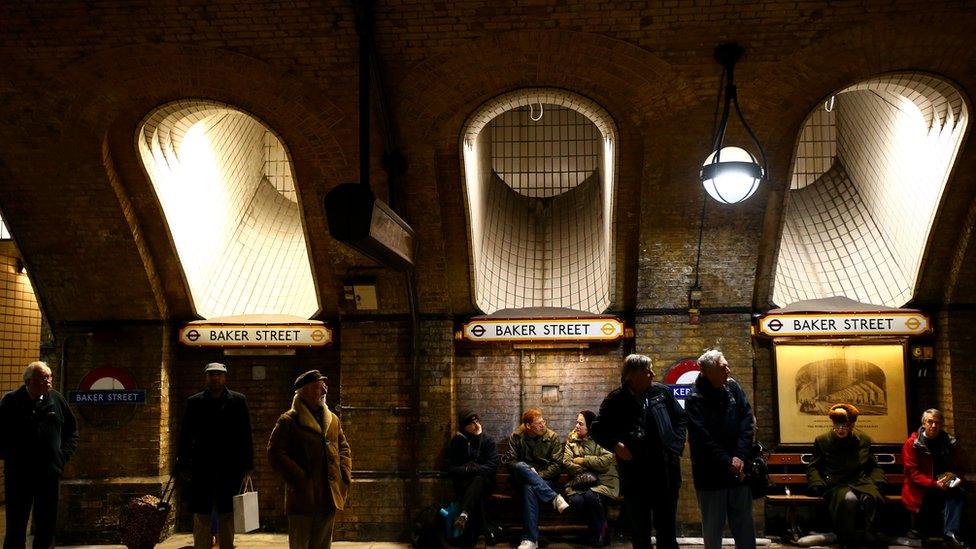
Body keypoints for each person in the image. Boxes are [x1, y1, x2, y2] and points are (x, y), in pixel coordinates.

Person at [591, 354, 685, 549]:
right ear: (632, 375)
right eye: (647, 370)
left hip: (665, 470)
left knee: (667, 529)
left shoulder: (661, 393)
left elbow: (681, 419)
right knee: (640, 530)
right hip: (636, 473)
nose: (652, 374)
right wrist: (616, 445)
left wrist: (675, 446)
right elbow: (597, 429)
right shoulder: (616, 399)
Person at [268, 370, 352, 549]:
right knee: (300, 545)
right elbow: (275, 453)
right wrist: (300, 477)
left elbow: (344, 447)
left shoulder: (332, 419)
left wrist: (344, 474)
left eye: (324, 387)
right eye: (317, 388)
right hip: (303, 497)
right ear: (303, 391)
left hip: (328, 496)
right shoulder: (289, 420)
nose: (324, 391)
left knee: (322, 545)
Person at [0, 361, 79, 549]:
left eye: (50, 377)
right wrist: (12, 457)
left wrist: (62, 457)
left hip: (49, 474)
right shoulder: (11, 402)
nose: (49, 381)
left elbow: (72, 431)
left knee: (46, 526)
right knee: (16, 526)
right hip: (19, 475)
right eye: (44, 378)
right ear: (30, 382)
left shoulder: (57, 400)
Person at [177, 362, 254, 549]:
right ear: (206, 377)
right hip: (202, 466)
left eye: (218, 374)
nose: (215, 377)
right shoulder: (194, 402)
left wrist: (247, 465)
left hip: (230, 466)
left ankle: (226, 546)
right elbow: (185, 435)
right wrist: (184, 464)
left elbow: (246, 434)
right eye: (211, 374)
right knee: (202, 513)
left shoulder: (238, 400)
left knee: (227, 512)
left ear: (224, 377)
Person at [685, 349, 755, 549]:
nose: (729, 370)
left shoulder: (733, 388)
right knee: (713, 530)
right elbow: (702, 439)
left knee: (744, 528)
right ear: (708, 372)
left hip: (738, 471)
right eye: (723, 367)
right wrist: (728, 460)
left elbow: (747, 420)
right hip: (711, 476)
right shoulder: (694, 398)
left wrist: (740, 456)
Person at [806, 403, 886, 549]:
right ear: (833, 423)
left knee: (871, 497)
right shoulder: (822, 440)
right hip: (837, 483)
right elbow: (813, 467)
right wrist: (817, 483)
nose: (841, 429)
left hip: (861, 481)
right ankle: (847, 539)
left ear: (852, 425)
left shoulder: (863, 440)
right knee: (849, 499)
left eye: (845, 425)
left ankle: (870, 534)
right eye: (837, 425)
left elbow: (874, 466)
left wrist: (878, 481)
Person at [503, 408, 569, 549]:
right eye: (538, 423)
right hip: (519, 480)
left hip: (545, 480)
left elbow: (557, 466)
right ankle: (554, 498)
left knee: (530, 487)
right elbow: (510, 462)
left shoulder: (552, 437)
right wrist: (528, 471)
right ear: (528, 426)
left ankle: (530, 540)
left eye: (543, 421)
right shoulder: (516, 436)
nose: (543, 425)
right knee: (520, 465)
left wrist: (537, 475)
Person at [902, 408, 968, 548]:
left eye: (937, 423)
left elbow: (959, 467)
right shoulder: (913, 443)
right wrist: (934, 483)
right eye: (930, 422)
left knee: (958, 493)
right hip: (922, 484)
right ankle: (920, 533)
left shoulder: (949, 442)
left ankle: (951, 533)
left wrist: (951, 479)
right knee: (927, 497)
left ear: (941, 424)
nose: (933, 426)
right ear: (923, 423)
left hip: (944, 480)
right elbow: (912, 472)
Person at [563, 410, 619, 548]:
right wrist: (590, 469)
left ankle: (601, 534)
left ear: (589, 426)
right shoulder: (572, 440)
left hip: (605, 481)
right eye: (577, 422)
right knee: (577, 501)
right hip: (581, 482)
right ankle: (596, 531)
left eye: (580, 423)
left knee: (592, 496)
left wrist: (583, 460)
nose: (576, 426)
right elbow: (567, 463)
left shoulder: (601, 438)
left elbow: (606, 460)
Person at [446, 409, 500, 545]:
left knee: (479, 480)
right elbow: (451, 468)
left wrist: (474, 469)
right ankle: (481, 537)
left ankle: (464, 516)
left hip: (486, 483)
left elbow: (492, 466)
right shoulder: (457, 442)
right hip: (464, 484)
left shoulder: (487, 441)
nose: (475, 425)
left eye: (477, 421)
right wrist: (467, 469)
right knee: (477, 496)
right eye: (471, 423)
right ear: (464, 426)